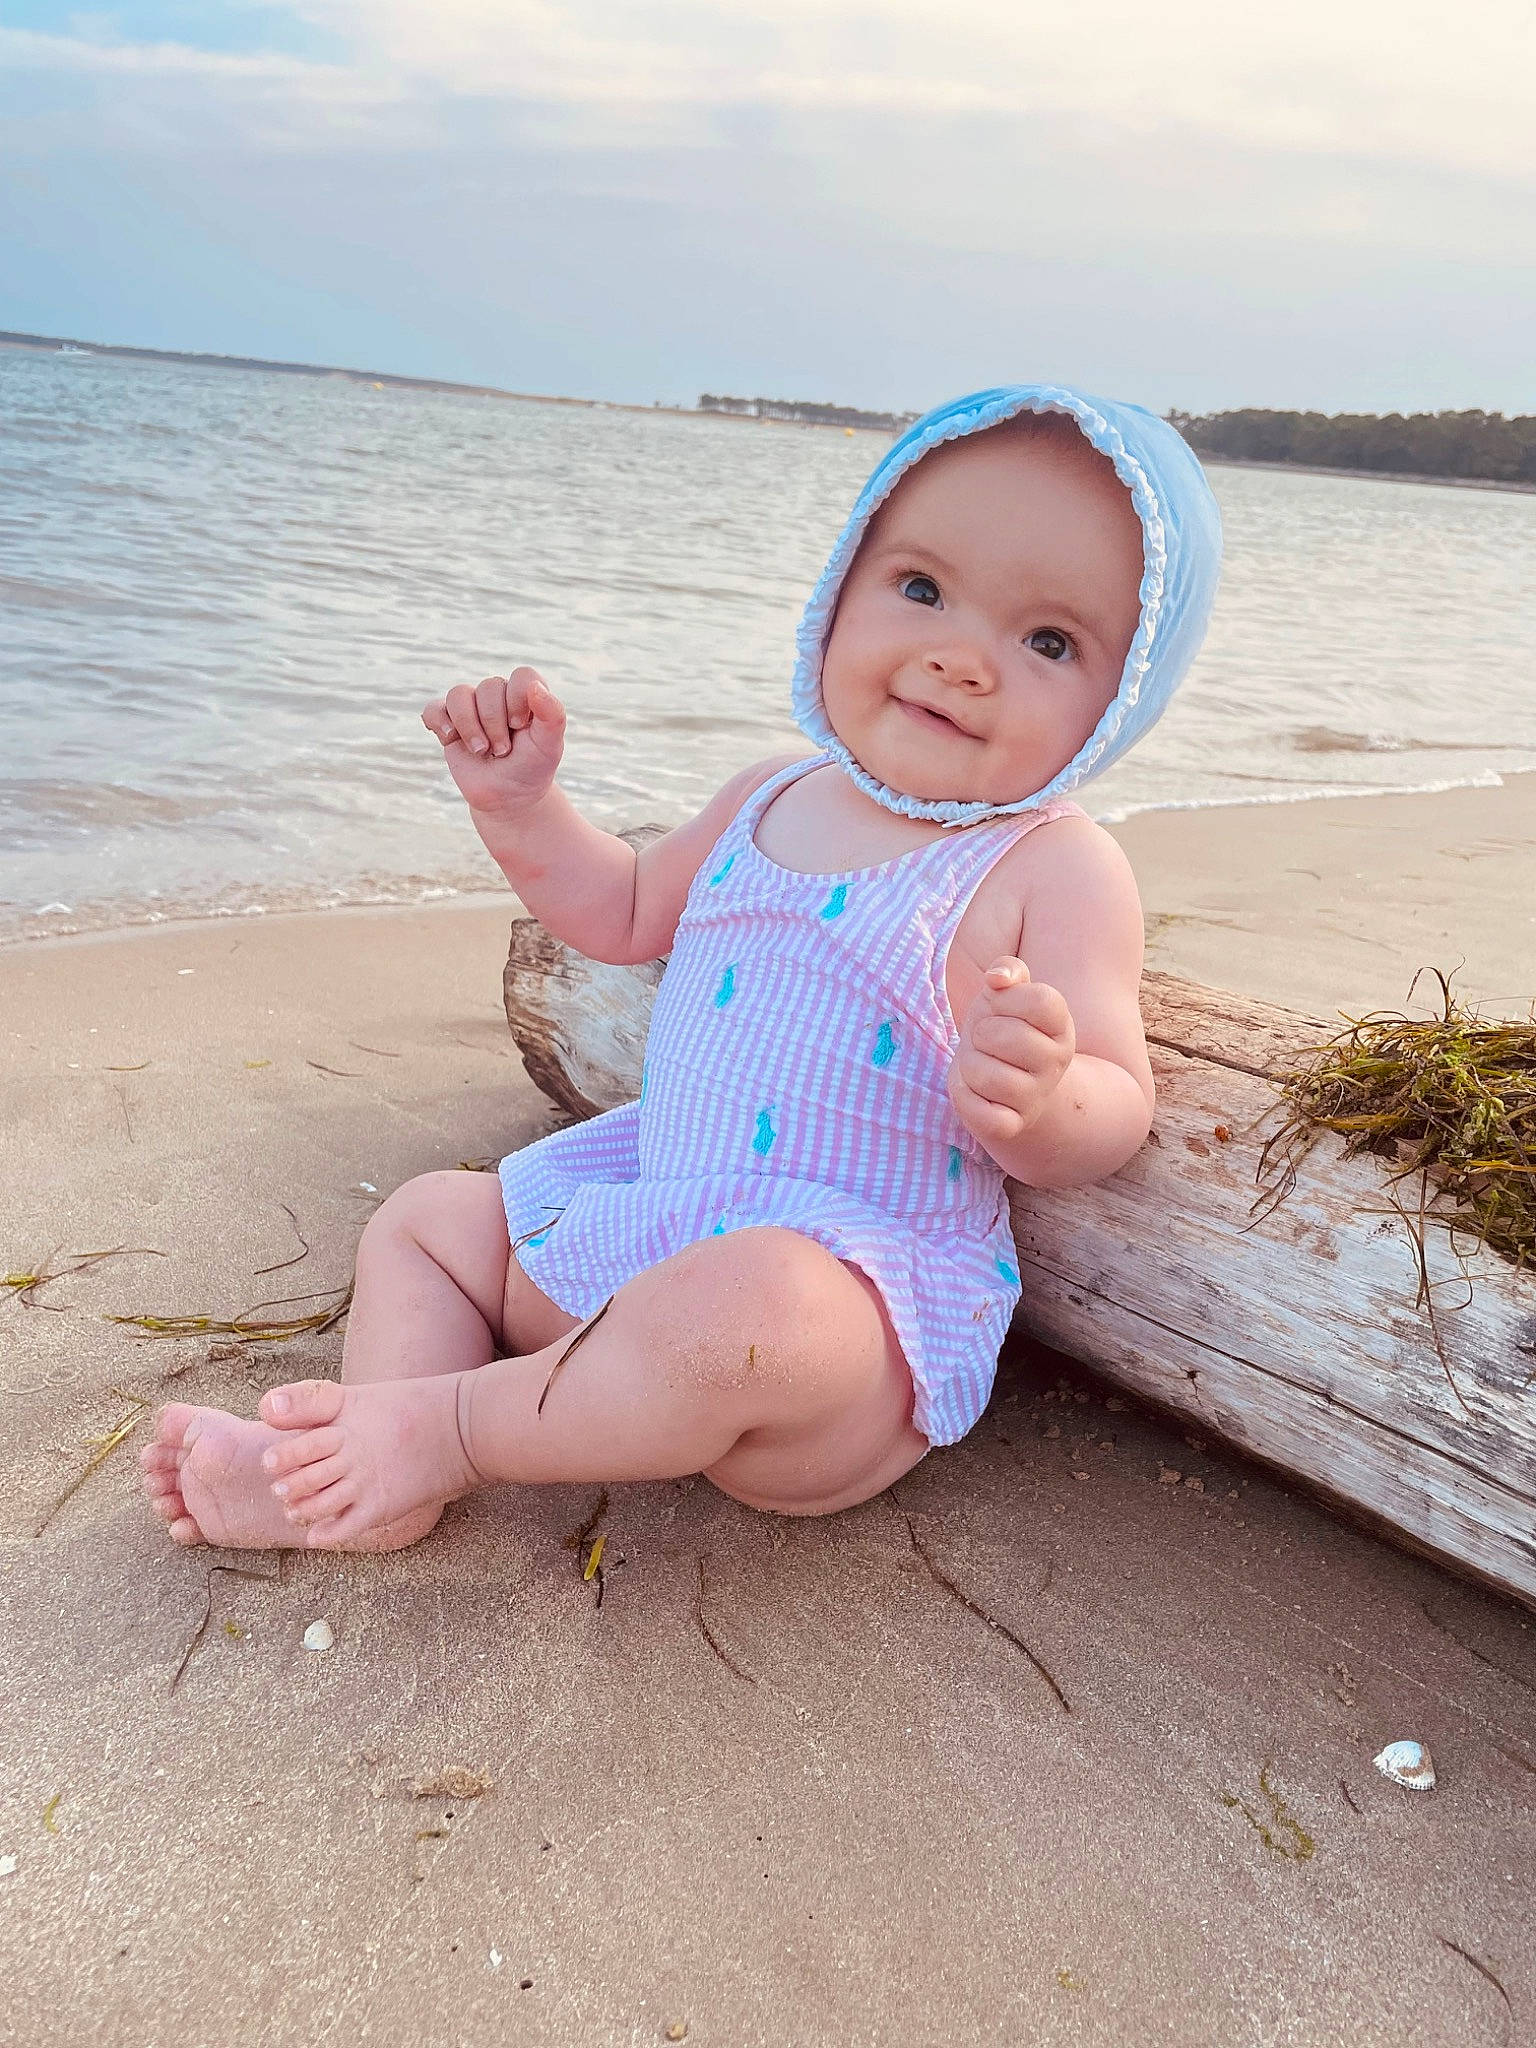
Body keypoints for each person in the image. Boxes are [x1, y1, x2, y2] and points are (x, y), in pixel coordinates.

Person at [140, 383, 1222, 1552]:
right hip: (641, 1228)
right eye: (921, 589)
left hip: (831, 1324)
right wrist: (522, 807)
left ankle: (437, 1428)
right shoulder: (769, 792)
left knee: (746, 1302)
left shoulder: (1054, 863)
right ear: (840, 591)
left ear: (1124, 700)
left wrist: (1047, 1097)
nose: (961, 658)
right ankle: (350, 1478)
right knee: (428, 1220)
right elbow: (620, 907)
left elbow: (1116, 1095)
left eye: (1049, 641)